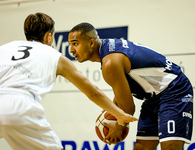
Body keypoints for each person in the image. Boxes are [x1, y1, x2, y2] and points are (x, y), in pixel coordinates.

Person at [0, 13, 138, 150]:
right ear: (49, 36)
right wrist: (119, 114)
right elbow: (93, 92)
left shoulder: (1, 49)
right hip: (19, 106)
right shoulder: (54, 56)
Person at [68, 22, 193, 150]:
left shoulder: (110, 63)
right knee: (141, 147)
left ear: (91, 43)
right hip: (154, 97)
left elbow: (128, 108)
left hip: (174, 90)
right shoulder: (108, 49)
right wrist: (112, 111)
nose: (71, 50)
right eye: (70, 44)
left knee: (170, 147)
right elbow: (121, 93)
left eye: (75, 44)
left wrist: (118, 127)